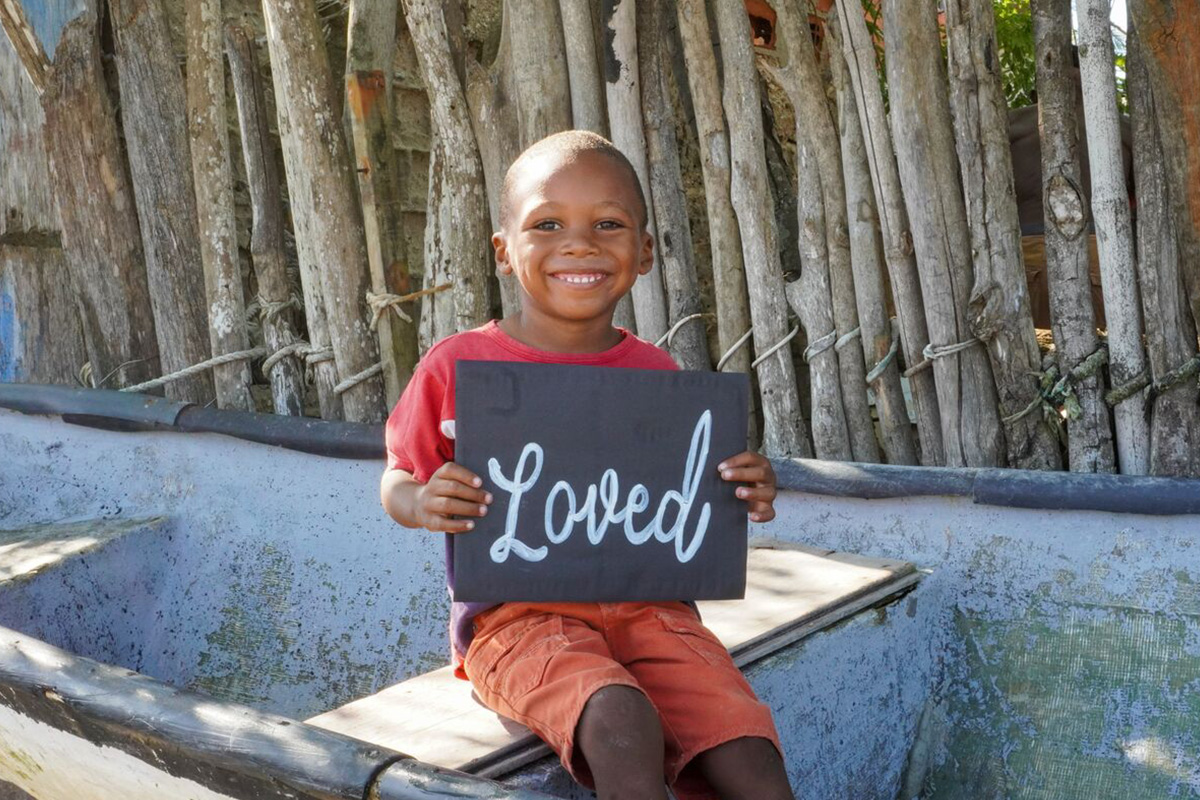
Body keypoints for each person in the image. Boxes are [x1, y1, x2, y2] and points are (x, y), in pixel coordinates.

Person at [380, 130, 794, 800]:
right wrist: (422, 501)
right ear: (504, 251)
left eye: (609, 223)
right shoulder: (459, 368)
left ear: (646, 251)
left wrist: (746, 486)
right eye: (548, 224)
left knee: (745, 743)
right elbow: (398, 478)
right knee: (620, 717)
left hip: (654, 612)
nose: (580, 243)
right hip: (517, 620)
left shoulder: (657, 375)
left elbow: (689, 493)